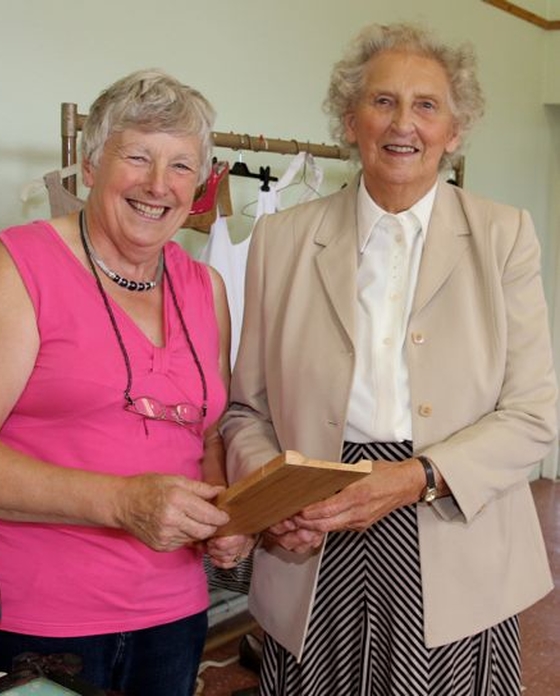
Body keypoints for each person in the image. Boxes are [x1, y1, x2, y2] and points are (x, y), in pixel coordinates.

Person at [220, 22, 557, 696]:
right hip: (311, 531)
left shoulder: (503, 235)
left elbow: (533, 415)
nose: (404, 123)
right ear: (351, 120)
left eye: (427, 105)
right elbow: (244, 411)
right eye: (382, 102)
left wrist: (413, 478)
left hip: (450, 517)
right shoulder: (282, 239)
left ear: (455, 130)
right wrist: (274, 498)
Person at [0, 69, 250, 696]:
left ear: (201, 187)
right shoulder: (18, 268)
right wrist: (122, 503)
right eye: (138, 157)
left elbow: (205, 433)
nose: (159, 186)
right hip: (39, 616)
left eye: (182, 166)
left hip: (174, 610)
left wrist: (226, 510)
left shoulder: (206, 289)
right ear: (91, 165)